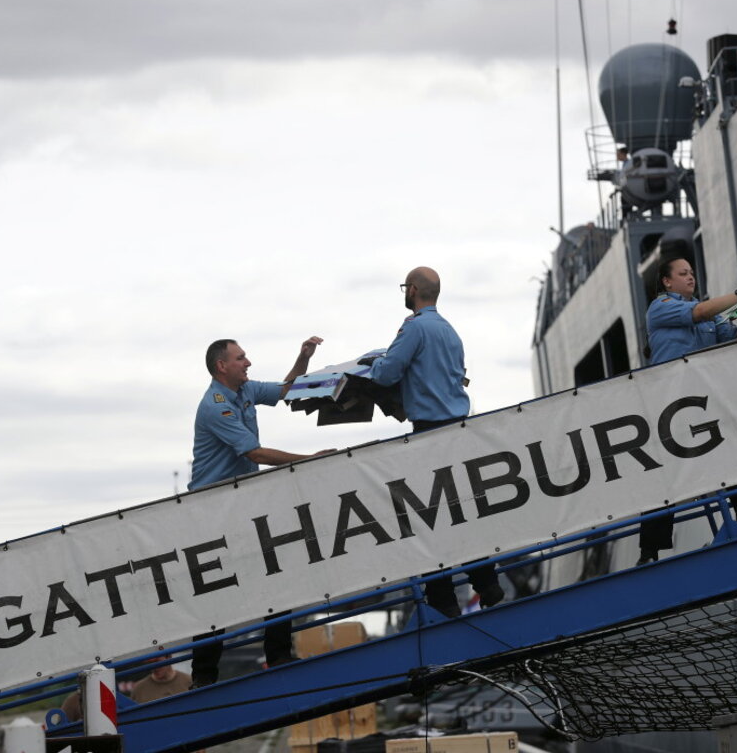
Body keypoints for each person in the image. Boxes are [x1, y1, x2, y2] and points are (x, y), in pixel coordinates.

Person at [187, 337, 334, 686]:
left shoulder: (246, 391)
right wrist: (308, 461)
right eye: (241, 358)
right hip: (213, 508)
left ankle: (278, 653)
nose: (248, 362)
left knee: (274, 570)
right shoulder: (215, 405)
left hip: (242, 501)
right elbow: (254, 453)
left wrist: (303, 357)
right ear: (222, 366)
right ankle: (204, 676)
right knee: (219, 591)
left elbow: (287, 389)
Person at [364, 266, 503, 617]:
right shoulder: (449, 330)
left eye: (404, 288)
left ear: (413, 290)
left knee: (427, 519)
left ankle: (442, 600)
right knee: (460, 509)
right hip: (459, 429)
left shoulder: (414, 328)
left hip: (429, 432)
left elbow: (386, 373)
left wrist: (372, 364)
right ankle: (487, 582)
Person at [639, 259, 737, 564]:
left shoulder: (709, 317)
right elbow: (698, 312)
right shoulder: (660, 308)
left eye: (691, 273)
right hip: (670, 406)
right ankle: (649, 551)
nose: (690, 277)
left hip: (703, 403)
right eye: (682, 274)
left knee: (731, 458)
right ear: (667, 282)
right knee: (668, 476)